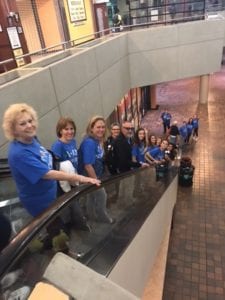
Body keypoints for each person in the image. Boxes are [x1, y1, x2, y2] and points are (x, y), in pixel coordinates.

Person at [2, 103, 100, 218]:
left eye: (30, 121)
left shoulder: (32, 139)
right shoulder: (19, 154)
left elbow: (44, 159)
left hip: (52, 193)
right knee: (55, 230)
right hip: (40, 202)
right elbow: (47, 173)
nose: (29, 126)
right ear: (13, 129)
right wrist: (82, 178)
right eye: (22, 124)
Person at [78, 116, 114, 224]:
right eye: (98, 127)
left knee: (91, 197)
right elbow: (88, 165)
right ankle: (103, 217)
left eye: (103, 127)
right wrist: (95, 180)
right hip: (89, 177)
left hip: (94, 176)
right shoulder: (89, 143)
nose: (101, 130)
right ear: (91, 128)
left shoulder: (97, 141)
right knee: (102, 195)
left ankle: (92, 217)